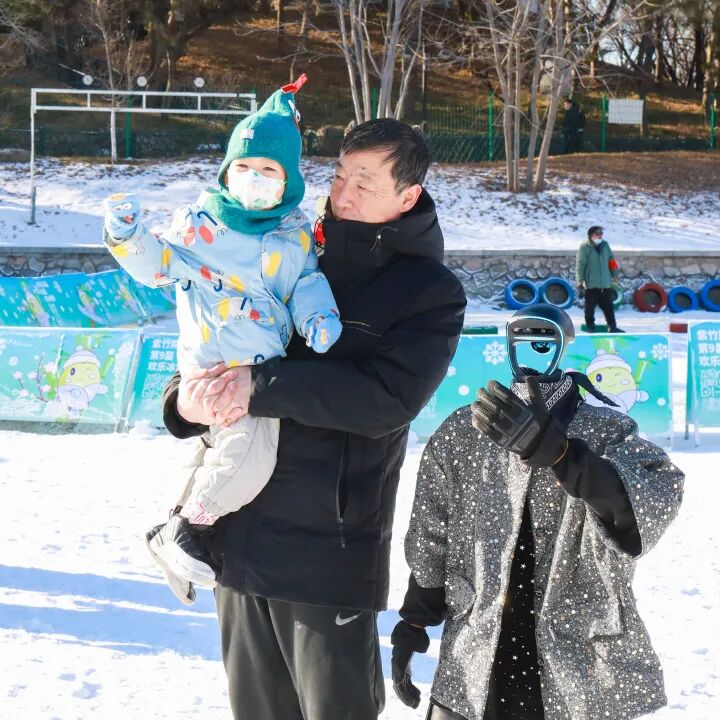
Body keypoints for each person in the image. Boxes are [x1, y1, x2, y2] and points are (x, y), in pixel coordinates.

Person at [161, 118, 467, 719]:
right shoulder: (283, 246)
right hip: (235, 535)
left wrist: (258, 387)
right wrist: (183, 402)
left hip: (327, 553)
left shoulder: (427, 290)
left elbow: (385, 401)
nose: (343, 195)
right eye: (339, 176)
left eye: (364, 183)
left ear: (408, 196)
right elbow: (214, 338)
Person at [102, 75, 343, 604]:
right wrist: (127, 237)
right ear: (227, 171)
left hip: (259, 368)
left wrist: (318, 318)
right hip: (216, 365)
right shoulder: (200, 225)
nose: (254, 178)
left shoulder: (294, 233)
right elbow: (159, 264)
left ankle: (173, 529)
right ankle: (190, 527)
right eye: (244, 167)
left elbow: (306, 284)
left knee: (215, 451)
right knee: (250, 455)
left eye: (269, 170)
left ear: (288, 181)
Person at [391, 303, 684, 720]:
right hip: (475, 657)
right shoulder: (462, 432)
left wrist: (565, 457)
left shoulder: (604, 431)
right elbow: (432, 532)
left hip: (578, 658)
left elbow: (653, 498)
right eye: (521, 339)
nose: (531, 351)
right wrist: (414, 623)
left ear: (565, 346)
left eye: (544, 340)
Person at [576, 225, 623, 333]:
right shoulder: (584, 247)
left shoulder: (605, 245)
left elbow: (611, 261)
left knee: (609, 308)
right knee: (589, 309)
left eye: (601, 233)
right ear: (591, 235)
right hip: (591, 285)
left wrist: (615, 274)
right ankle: (590, 327)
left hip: (605, 284)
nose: (600, 236)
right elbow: (580, 266)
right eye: (597, 234)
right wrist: (580, 282)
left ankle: (612, 326)